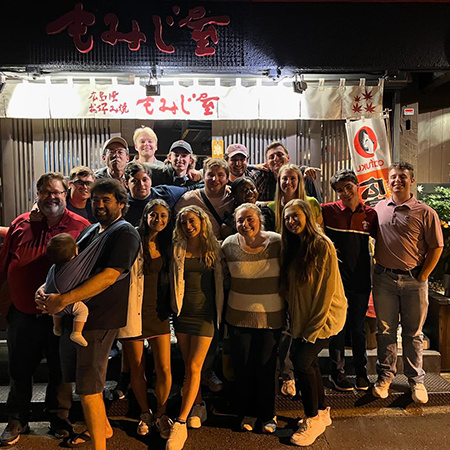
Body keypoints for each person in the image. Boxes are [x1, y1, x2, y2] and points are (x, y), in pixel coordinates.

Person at [35, 178, 140, 450]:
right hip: (76, 316)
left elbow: (109, 276)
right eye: (96, 200)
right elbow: (65, 267)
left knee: (90, 388)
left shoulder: (125, 233)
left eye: (106, 200)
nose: (99, 204)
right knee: (82, 383)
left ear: (122, 204)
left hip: (98, 319)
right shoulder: (92, 230)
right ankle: (102, 430)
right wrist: (45, 291)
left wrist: (63, 300)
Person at [0, 172, 90, 446]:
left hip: (61, 315)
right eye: (46, 192)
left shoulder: (82, 226)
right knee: (19, 369)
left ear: (66, 194)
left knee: (60, 371)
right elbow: (4, 267)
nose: (52, 197)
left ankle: (59, 418)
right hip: (23, 313)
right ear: (37, 195)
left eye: (57, 192)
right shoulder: (21, 223)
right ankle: (17, 419)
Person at [372, 162, 443, 404]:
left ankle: (416, 380)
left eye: (402, 177)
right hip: (383, 279)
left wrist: (423, 276)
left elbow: (437, 247)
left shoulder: (425, 212)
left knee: (413, 334)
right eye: (393, 177)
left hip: (414, 281)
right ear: (387, 181)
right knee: (385, 331)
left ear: (411, 180)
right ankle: (385, 377)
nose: (397, 181)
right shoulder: (379, 208)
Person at [280, 199, 347, 447]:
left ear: (308, 216)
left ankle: (311, 418)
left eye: (296, 216)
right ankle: (321, 411)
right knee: (310, 364)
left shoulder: (321, 245)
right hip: (304, 319)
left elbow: (324, 293)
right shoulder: (294, 246)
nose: (291, 222)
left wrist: (311, 330)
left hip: (324, 319)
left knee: (301, 362)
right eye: (287, 218)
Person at [222, 203, 284, 434]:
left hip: (271, 317)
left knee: (266, 367)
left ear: (259, 219)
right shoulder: (228, 245)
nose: (245, 224)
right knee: (243, 366)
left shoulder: (277, 242)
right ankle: (246, 412)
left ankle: (268, 414)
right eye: (240, 220)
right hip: (238, 316)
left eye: (250, 219)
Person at [166, 206, 223, 450]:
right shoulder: (178, 247)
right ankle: (198, 404)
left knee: (194, 365)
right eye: (184, 223)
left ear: (202, 221)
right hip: (182, 313)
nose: (188, 226)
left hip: (205, 314)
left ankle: (179, 422)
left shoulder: (215, 247)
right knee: (189, 361)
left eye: (192, 221)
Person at [119, 200, 173, 438]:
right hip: (133, 310)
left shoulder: (168, 241)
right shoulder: (132, 238)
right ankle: (144, 412)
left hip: (158, 311)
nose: (158, 220)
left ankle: (162, 413)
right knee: (137, 367)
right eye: (154, 215)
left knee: (164, 367)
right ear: (146, 215)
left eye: (163, 216)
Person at [322, 169, 378, 392]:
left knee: (357, 327)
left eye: (348, 187)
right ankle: (338, 373)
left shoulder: (371, 215)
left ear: (357, 186)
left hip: (361, 279)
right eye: (339, 190)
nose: (345, 193)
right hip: (336, 281)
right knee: (338, 327)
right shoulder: (328, 211)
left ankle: (362, 372)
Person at [45, 233, 89, 347]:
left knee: (56, 312)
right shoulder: (74, 268)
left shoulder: (53, 267)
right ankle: (77, 332)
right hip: (64, 303)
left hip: (51, 302)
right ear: (75, 252)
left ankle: (57, 327)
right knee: (82, 311)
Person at [175, 157, 234, 240]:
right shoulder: (189, 199)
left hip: (226, 249)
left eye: (220, 175)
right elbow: (176, 227)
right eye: (211, 175)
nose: (215, 179)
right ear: (203, 177)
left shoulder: (233, 198)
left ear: (227, 178)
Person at [250, 142, 322, 202]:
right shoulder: (262, 178)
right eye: (271, 157)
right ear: (267, 163)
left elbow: (319, 205)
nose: (276, 159)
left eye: (280, 154)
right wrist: (253, 166)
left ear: (288, 158)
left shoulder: (305, 176)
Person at [123, 161, 191, 226]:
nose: (141, 184)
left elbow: (191, 189)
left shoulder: (165, 193)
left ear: (151, 180)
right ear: (126, 184)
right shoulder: (122, 205)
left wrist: (199, 174)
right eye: (135, 181)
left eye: (145, 180)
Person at [268, 163, 322, 232]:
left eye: (292, 178)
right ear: (279, 182)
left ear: (299, 181)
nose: (288, 182)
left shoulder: (312, 202)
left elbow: (320, 232)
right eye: (285, 178)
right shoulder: (270, 208)